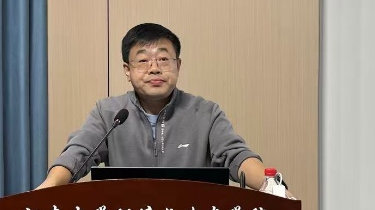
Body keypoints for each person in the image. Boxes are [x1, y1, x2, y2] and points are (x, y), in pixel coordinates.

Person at [36, 23, 293, 197]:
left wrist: (272, 186)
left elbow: (236, 155)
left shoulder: (205, 113)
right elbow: (78, 154)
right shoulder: (109, 112)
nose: (154, 68)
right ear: (127, 70)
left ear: (178, 65)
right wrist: (48, 187)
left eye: (163, 59)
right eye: (143, 61)